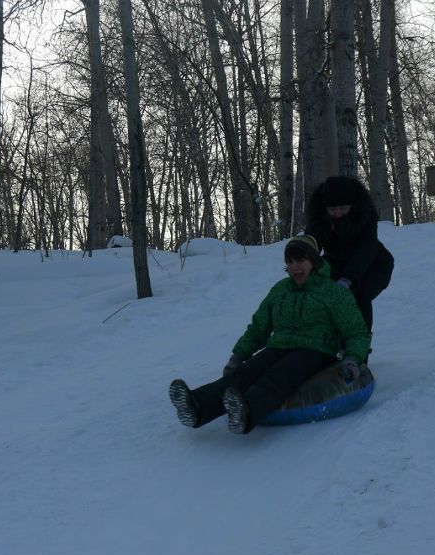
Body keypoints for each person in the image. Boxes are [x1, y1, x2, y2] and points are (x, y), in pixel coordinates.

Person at [168, 235, 371, 435]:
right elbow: (259, 327)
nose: (295, 267)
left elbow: (356, 332)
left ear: (314, 261)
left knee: (279, 376)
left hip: (315, 349)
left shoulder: (334, 293)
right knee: (245, 373)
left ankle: (246, 414)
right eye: (290, 262)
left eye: (300, 260)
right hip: (279, 346)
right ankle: (196, 407)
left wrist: (352, 358)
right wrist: (238, 356)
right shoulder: (281, 290)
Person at [304, 175, 394, 336]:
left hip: (374, 263)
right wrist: (301, 265)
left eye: (343, 208)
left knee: (359, 297)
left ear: (353, 206)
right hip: (336, 261)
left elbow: (366, 249)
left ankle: (359, 352)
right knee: (321, 297)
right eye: (333, 209)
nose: (338, 214)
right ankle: (327, 345)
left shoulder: (365, 214)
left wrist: (347, 278)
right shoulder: (318, 218)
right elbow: (310, 244)